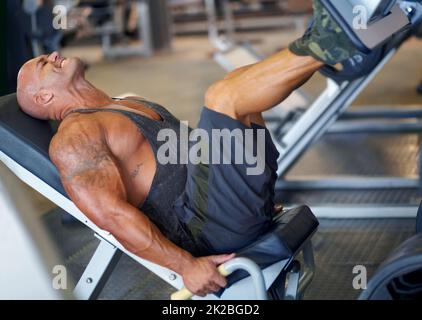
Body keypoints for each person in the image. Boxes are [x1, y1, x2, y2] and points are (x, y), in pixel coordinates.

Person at [16, 0, 357, 297]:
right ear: (44, 98)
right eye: (45, 63)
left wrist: (239, 191)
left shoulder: (121, 104)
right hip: (204, 231)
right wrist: (186, 267)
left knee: (241, 83)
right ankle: (331, 40)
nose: (55, 54)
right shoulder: (74, 137)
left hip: (220, 209)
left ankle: (338, 41)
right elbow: (112, 216)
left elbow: (187, 148)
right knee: (223, 98)